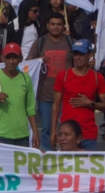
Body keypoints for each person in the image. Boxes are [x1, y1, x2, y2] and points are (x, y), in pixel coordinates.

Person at [51, 39, 105, 151]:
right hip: (67, 134)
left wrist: (89, 103)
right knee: (66, 167)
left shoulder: (98, 78)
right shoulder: (63, 76)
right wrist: (53, 130)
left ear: (89, 55)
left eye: (81, 54)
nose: (77, 57)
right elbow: (56, 106)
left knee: (88, 167)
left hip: (88, 133)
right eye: (75, 54)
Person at [26, 14, 74, 151]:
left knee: (66, 128)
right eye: (52, 24)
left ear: (63, 26)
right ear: (47, 25)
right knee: (47, 127)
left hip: (67, 94)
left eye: (59, 24)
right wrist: (39, 60)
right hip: (45, 94)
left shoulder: (70, 41)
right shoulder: (40, 42)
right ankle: (48, 155)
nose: (55, 27)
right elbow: (29, 63)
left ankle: (66, 154)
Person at [0, 42, 39, 147]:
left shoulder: (26, 78)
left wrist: (35, 131)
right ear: (3, 58)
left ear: (20, 59)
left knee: (22, 164)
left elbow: (30, 108)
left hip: (21, 135)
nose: (11, 61)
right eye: (8, 57)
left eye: (15, 57)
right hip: (0, 134)